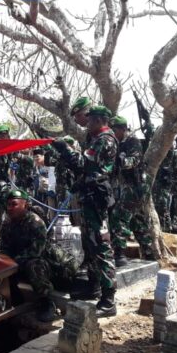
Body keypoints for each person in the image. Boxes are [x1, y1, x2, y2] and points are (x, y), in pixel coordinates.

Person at [51, 105, 118, 317]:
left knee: (101, 246)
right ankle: (94, 286)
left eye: (89, 120)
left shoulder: (104, 140)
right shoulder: (96, 138)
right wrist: (79, 184)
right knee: (90, 244)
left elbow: (83, 163)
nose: (86, 123)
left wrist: (64, 148)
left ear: (98, 120)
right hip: (89, 196)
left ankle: (109, 299)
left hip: (97, 200)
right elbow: (89, 171)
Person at [0, 189, 78, 322]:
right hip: (22, 262)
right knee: (2, 264)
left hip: (51, 265)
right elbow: (4, 249)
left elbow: (36, 252)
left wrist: (13, 262)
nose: (10, 208)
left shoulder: (35, 222)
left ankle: (47, 303)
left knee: (33, 265)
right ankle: (15, 297)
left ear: (25, 205)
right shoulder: (7, 224)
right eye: (8, 204)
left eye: (14, 204)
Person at [108, 116, 155, 266]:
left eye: (115, 130)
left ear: (123, 129)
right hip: (126, 187)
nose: (112, 133)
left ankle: (120, 254)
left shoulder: (133, 142)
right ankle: (149, 253)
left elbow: (133, 161)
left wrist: (118, 160)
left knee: (118, 217)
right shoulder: (118, 143)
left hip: (136, 186)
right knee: (137, 221)